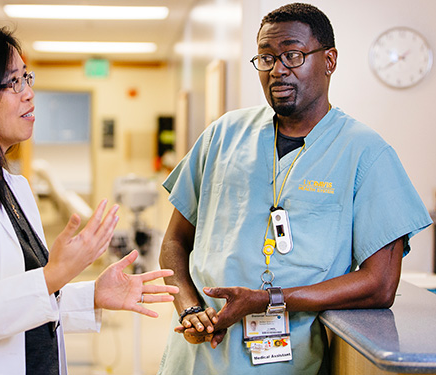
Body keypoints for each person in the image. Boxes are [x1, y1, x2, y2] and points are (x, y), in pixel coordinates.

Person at [158, 3, 432, 375]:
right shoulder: (222, 136)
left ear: (329, 60)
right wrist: (190, 309)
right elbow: (174, 242)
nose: (277, 70)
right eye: (266, 58)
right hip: (197, 358)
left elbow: (380, 284)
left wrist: (269, 300)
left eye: (293, 55)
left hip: (290, 361)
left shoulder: (366, 153)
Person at [0, 24, 179, 375]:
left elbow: (24, 304)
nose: (29, 93)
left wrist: (91, 295)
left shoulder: (12, 186)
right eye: (13, 82)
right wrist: (52, 275)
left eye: (27, 78)